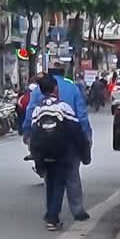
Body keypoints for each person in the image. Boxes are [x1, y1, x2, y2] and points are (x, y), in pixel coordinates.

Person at [23, 67, 92, 228]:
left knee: (51, 180)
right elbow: (80, 117)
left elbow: (29, 115)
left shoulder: (37, 95)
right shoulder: (72, 89)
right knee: (71, 177)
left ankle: (51, 212)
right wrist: (86, 142)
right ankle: (76, 211)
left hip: (44, 147)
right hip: (67, 146)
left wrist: (27, 136)